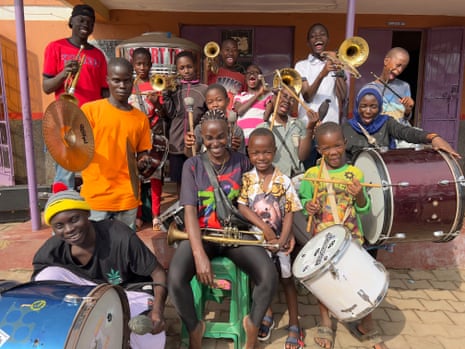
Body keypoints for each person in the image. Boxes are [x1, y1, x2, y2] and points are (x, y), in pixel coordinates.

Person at [167, 110, 278, 349]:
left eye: (220, 137)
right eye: (209, 138)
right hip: (203, 236)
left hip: (235, 235)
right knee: (175, 278)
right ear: (201, 138)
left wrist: (272, 229)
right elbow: (189, 212)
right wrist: (199, 255)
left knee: (268, 275)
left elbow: (262, 194)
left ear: (229, 134)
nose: (215, 143)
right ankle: (195, 326)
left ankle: (252, 323)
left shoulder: (243, 161)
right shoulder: (192, 165)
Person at [32, 189, 167, 349]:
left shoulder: (119, 236)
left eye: (74, 219)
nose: (69, 229)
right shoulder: (51, 251)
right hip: (87, 295)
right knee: (45, 277)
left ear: (87, 213)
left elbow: (159, 273)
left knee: (149, 336)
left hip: (127, 293)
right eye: (59, 226)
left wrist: (157, 310)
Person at [299, 122, 389, 349]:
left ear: (345, 144)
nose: (333, 152)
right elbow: (303, 204)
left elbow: (363, 208)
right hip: (324, 238)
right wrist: (308, 206)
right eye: (327, 148)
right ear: (319, 150)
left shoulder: (354, 173)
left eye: (337, 146)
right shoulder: (311, 175)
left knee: (361, 278)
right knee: (325, 282)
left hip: (351, 237)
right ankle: (326, 323)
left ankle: (366, 322)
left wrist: (359, 195)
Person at [237, 128, 304, 349]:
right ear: (249, 153)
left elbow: (290, 213)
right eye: (256, 153)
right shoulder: (247, 179)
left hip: (280, 244)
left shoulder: (284, 181)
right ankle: (266, 314)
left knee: (286, 280)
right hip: (258, 242)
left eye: (266, 152)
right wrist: (264, 227)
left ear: (274, 152)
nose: (261, 157)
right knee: (260, 280)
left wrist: (282, 240)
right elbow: (242, 206)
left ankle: (294, 323)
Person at [80, 57, 152, 231]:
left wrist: (144, 162)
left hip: (127, 196)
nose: (122, 85)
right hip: (96, 195)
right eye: (116, 80)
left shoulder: (140, 118)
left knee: (123, 248)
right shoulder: (90, 111)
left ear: (132, 81)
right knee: (95, 248)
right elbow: (78, 148)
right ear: (107, 80)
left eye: (126, 80)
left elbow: (142, 152)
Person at [42, 4, 108, 190]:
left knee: (95, 166)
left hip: (92, 119)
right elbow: (46, 87)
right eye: (80, 20)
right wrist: (64, 73)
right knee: (65, 168)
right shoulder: (55, 47)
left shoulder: (98, 55)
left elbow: (104, 91)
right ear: (71, 21)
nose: (85, 24)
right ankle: (65, 205)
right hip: (65, 117)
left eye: (89, 22)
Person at [342, 87, 460, 163]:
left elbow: (407, 132)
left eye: (373, 106)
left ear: (379, 108)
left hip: (383, 180)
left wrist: (433, 137)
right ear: (357, 106)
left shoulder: (387, 122)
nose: (367, 111)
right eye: (363, 106)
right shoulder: (346, 128)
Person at [295, 23, 348, 168]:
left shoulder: (336, 64)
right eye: (313, 36)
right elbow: (307, 96)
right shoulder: (301, 66)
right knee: (308, 170)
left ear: (328, 39)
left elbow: (342, 95)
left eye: (322, 35)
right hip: (308, 129)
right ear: (308, 42)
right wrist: (323, 74)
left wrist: (338, 69)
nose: (317, 38)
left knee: (332, 173)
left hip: (330, 130)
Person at [129, 47, 167, 231]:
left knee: (155, 177)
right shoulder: (129, 86)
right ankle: (136, 215)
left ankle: (156, 215)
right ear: (133, 64)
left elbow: (163, 114)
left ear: (151, 64)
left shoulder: (157, 84)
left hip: (152, 138)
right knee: (135, 178)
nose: (142, 67)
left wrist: (157, 103)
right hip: (134, 139)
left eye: (145, 63)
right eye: (138, 63)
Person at [163, 50, 208, 196]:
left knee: (195, 178)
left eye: (189, 66)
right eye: (182, 68)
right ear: (177, 70)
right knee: (179, 179)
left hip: (195, 142)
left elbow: (207, 115)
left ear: (195, 67)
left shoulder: (204, 90)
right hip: (176, 142)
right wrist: (166, 94)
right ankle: (180, 209)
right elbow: (169, 114)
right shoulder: (174, 89)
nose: (186, 71)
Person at [257, 87, 319, 178]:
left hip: (297, 177)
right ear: (274, 98)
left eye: (292, 99)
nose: (287, 101)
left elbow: (302, 157)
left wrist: (310, 129)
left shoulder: (299, 124)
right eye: (284, 96)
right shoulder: (263, 128)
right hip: (273, 178)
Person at [184, 83, 246, 155]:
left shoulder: (236, 130)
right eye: (210, 102)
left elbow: (241, 157)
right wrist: (188, 146)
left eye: (219, 100)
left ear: (228, 101)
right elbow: (191, 154)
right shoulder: (200, 128)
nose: (215, 105)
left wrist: (235, 149)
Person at [363, 47, 414, 125]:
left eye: (403, 68)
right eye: (398, 65)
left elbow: (406, 118)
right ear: (386, 61)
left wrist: (408, 109)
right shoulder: (369, 88)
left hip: (401, 133)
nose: (399, 70)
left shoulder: (404, 86)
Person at [233, 64, 273, 144]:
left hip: (259, 140)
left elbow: (265, 118)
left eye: (256, 72)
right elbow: (240, 111)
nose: (252, 74)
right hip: (242, 141)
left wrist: (268, 93)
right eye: (249, 73)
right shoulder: (240, 96)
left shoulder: (268, 96)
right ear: (245, 77)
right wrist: (258, 94)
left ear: (261, 78)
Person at [204, 38, 245, 110]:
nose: (231, 53)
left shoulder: (242, 77)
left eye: (234, 50)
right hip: (215, 115)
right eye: (227, 50)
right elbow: (204, 91)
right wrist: (205, 70)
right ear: (221, 52)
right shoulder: (214, 72)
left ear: (238, 53)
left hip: (233, 117)